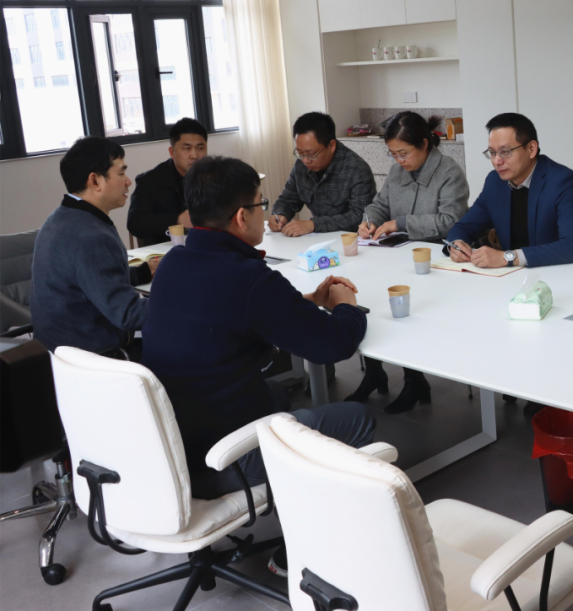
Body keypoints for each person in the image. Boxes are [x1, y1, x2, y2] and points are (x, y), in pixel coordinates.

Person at [141, 156, 375, 579]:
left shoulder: (174, 263)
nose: (264, 214)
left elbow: (232, 314)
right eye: (260, 204)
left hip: (169, 450)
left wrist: (303, 303)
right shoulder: (247, 276)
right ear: (241, 216)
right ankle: (309, 551)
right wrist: (346, 307)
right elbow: (334, 345)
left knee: (277, 394)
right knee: (358, 419)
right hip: (220, 461)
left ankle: (295, 502)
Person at [348, 112, 469, 414]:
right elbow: (379, 205)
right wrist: (369, 221)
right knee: (369, 299)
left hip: (436, 262)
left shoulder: (449, 171)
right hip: (396, 256)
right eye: (393, 154)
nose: (399, 160)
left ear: (425, 144)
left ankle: (415, 381)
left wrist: (400, 223)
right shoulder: (397, 171)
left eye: (404, 153)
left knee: (403, 312)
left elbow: (450, 221)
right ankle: (374, 372)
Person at [32, 137, 157, 358]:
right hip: (95, 358)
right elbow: (128, 314)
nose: (128, 181)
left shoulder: (61, 218)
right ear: (95, 181)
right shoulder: (91, 237)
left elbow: (95, 279)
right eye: (121, 173)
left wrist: (143, 272)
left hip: (61, 353)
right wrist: (183, 299)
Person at [445, 112, 573, 268]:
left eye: (505, 152)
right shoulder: (495, 182)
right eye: (492, 153)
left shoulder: (562, 181)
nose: (497, 161)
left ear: (531, 149)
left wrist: (508, 257)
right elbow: (464, 226)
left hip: (570, 274)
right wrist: (456, 244)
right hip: (519, 276)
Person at [269, 112, 376, 237]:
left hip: (350, 240)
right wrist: (279, 214)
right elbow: (287, 199)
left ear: (331, 146)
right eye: (300, 153)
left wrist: (314, 225)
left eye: (311, 154)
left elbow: (360, 216)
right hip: (317, 239)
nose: (305, 160)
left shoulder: (357, 169)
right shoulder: (301, 165)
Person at [126, 117, 208, 245]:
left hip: (207, 246)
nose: (194, 155)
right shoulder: (149, 181)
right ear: (172, 152)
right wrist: (178, 220)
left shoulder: (216, 177)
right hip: (165, 251)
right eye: (187, 148)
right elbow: (136, 224)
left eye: (200, 148)